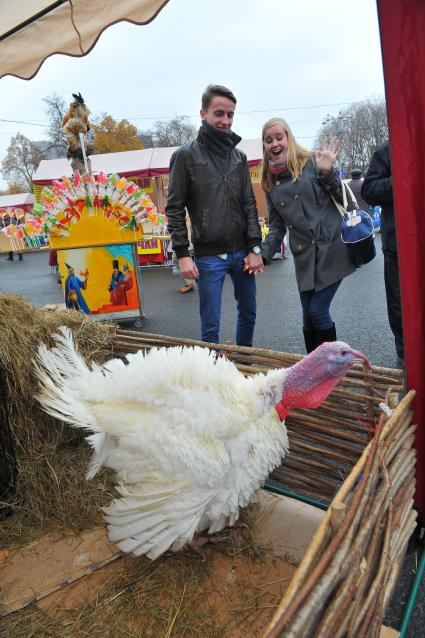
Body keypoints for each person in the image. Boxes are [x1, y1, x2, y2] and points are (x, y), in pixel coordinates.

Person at [166, 84, 263, 346]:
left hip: (243, 251)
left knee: (249, 313)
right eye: (219, 113)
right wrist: (183, 255)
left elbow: (249, 204)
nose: (225, 120)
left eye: (230, 114)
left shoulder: (239, 157)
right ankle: (214, 379)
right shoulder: (185, 156)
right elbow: (174, 209)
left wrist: (255, 247)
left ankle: (245, 365)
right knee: (211, 324)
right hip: (209, 256)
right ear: (203, 113)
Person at [251, 118, 356, 353]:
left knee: (317, 312)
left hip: (332, 249)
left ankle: (332, 367)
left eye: (279, 137)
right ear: (264, 145)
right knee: (308, 319)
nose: (275, 143)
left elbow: (342, 198)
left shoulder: (312, 161)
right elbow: (276, 227)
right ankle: (314, 371)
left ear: (288, 138)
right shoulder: (269, 182)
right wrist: (262, 253)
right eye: (269, 140)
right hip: (304, 258)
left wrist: (328, 172)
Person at [361, 141, 404, 365]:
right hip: (398, 245)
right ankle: (405, 357)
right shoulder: (388, 150)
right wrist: (402, 179)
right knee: (399, 305)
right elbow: (370, 190)